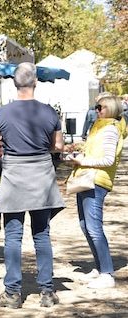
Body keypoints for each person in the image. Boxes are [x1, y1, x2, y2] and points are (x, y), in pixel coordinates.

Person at [0, 62, 65, 308]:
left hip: (14, 174)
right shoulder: (49, 111)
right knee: (41, 234)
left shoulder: (2, 112)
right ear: (35, 82)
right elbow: (59, 146)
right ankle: (46, 291)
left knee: (13, 236)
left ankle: (12, 294)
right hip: (41, 173)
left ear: (14, 83)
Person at [68, 95, 127, 289]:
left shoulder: (110, 129)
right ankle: (99, 267)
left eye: (100, 107)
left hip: (96, 181)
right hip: (87, 178)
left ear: (110, 108)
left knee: (94, 227)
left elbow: (108, 160)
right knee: (86, 225)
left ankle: (106, 273)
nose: (96, 110)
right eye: (96, 107)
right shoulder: (100, 126)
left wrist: (82, 161)